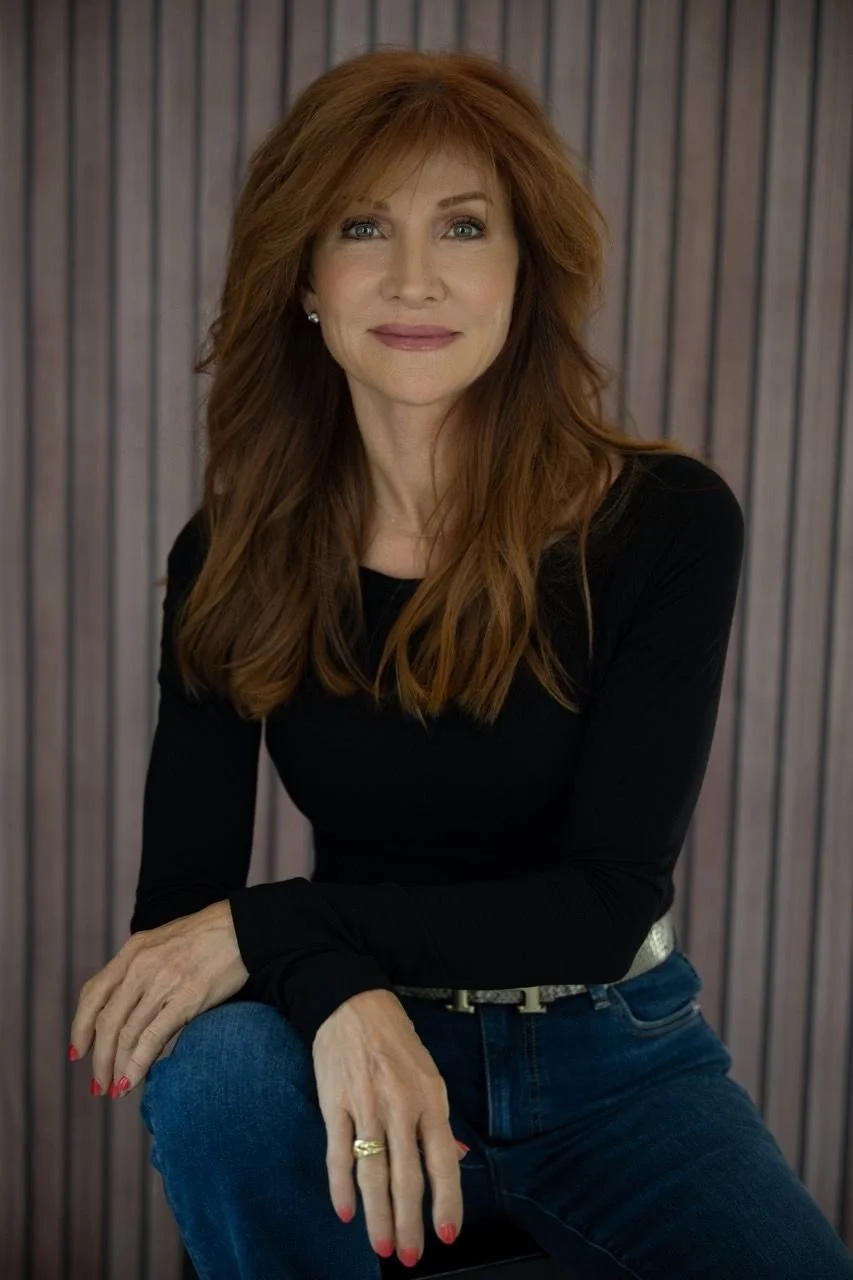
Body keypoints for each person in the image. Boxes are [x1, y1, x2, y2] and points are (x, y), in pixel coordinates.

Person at [67, 47, 853, 1280]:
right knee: (215, 1069)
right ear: (305, 277)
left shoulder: (663, 522)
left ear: (525, 272)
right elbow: (179, 925)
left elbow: (601, 904)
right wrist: (335, 988)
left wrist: (277, 928)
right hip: (357, 1061)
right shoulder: (235, 550)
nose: (414, 276)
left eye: (464, 225)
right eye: (363, 225)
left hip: (611, 1065)